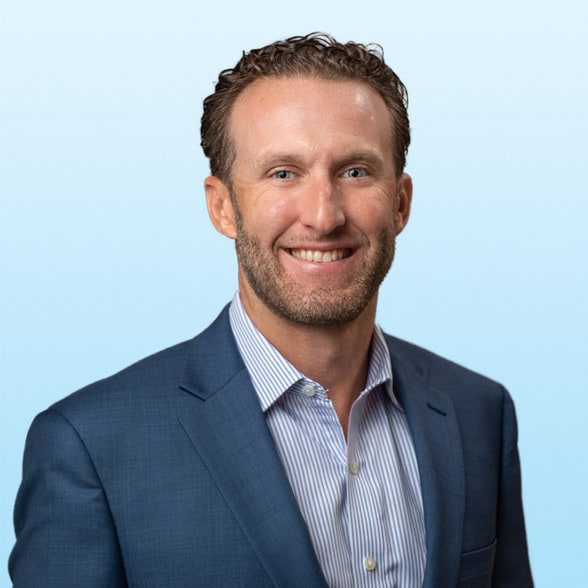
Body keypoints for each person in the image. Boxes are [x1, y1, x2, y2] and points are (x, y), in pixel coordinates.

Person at [9, 33, 533, 587]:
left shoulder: (479, 412)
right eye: (283, 173)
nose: (324, 216)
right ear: (222, 207)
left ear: (400, 203)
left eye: (355, 171)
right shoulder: (90, 446)